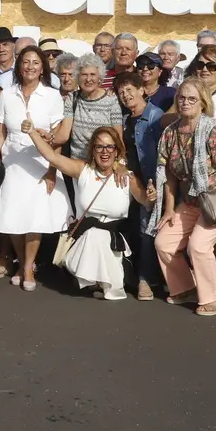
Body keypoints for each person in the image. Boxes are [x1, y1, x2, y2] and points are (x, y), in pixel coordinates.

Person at [153, 78, 216, 317]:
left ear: (202, 103)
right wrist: (168, 210)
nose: (185, 103)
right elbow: (170, 176)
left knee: (198, 246)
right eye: (181, 98)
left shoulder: (213, 129)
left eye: (191, 99)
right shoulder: (171, 132)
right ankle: (185, 287)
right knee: (163, 242)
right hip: (189, 202)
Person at [0, 46, 72, 291]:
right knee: (13, 216)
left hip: (40, 162)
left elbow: (59, 139)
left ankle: (27, 268)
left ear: (43, 67)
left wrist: (52, 170)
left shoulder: (52, 96)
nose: (30, 67)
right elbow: (0, 133)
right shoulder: (7, 94)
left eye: (36, 62)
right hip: (13, 162)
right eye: (26, 62)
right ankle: (23, 261)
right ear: (19, 65)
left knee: (35, 218)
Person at [30, 125, 149, 300]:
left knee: (100, 235)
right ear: (92, 150)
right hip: (83, 239)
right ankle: (92, 280)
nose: (104, 151)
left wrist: (152, 194)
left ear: (117, 151)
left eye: (110, 147)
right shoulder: (83, 170)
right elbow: (52, 157)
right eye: (99, 147)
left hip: (115, 243)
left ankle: (101, 282)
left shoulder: (127, 177)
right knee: (94, 234)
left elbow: (147, 202)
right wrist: (31, 132)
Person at [113, 71, 164, 300]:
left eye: (130, 90)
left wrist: (156, 181)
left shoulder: (155, 117)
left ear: (142, 89)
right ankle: (129, 276)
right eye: (121, 92)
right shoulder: (124, 119)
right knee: (131, 227)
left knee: (147, 231)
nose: (126, 95)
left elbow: (164, 153)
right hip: (129, 180)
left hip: (150, 180)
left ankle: (146, 280)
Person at [56, 53, 124, 173]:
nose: (88, 79)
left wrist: (121, 163)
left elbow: (118, 138)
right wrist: (46, 137)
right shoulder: (72, 98)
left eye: (93, 74)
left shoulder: (111, 100)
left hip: (104, 166)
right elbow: (64, 134)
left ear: (100, 78)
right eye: (84, 75)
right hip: (79, 167)